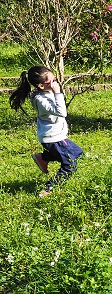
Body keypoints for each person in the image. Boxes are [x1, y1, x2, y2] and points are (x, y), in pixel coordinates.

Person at [9, 66, 83, 197]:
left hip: (56, 136)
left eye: (54, 79)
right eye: (51, 81)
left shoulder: (45, 93)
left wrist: (55, 92)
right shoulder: (41, 100)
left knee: (77, 151)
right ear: (41, 86)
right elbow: (62, 112)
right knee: (70, 165)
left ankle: (43, 158)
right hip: (54, 138)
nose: (55, 83)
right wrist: (58, 93)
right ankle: (49, 189)